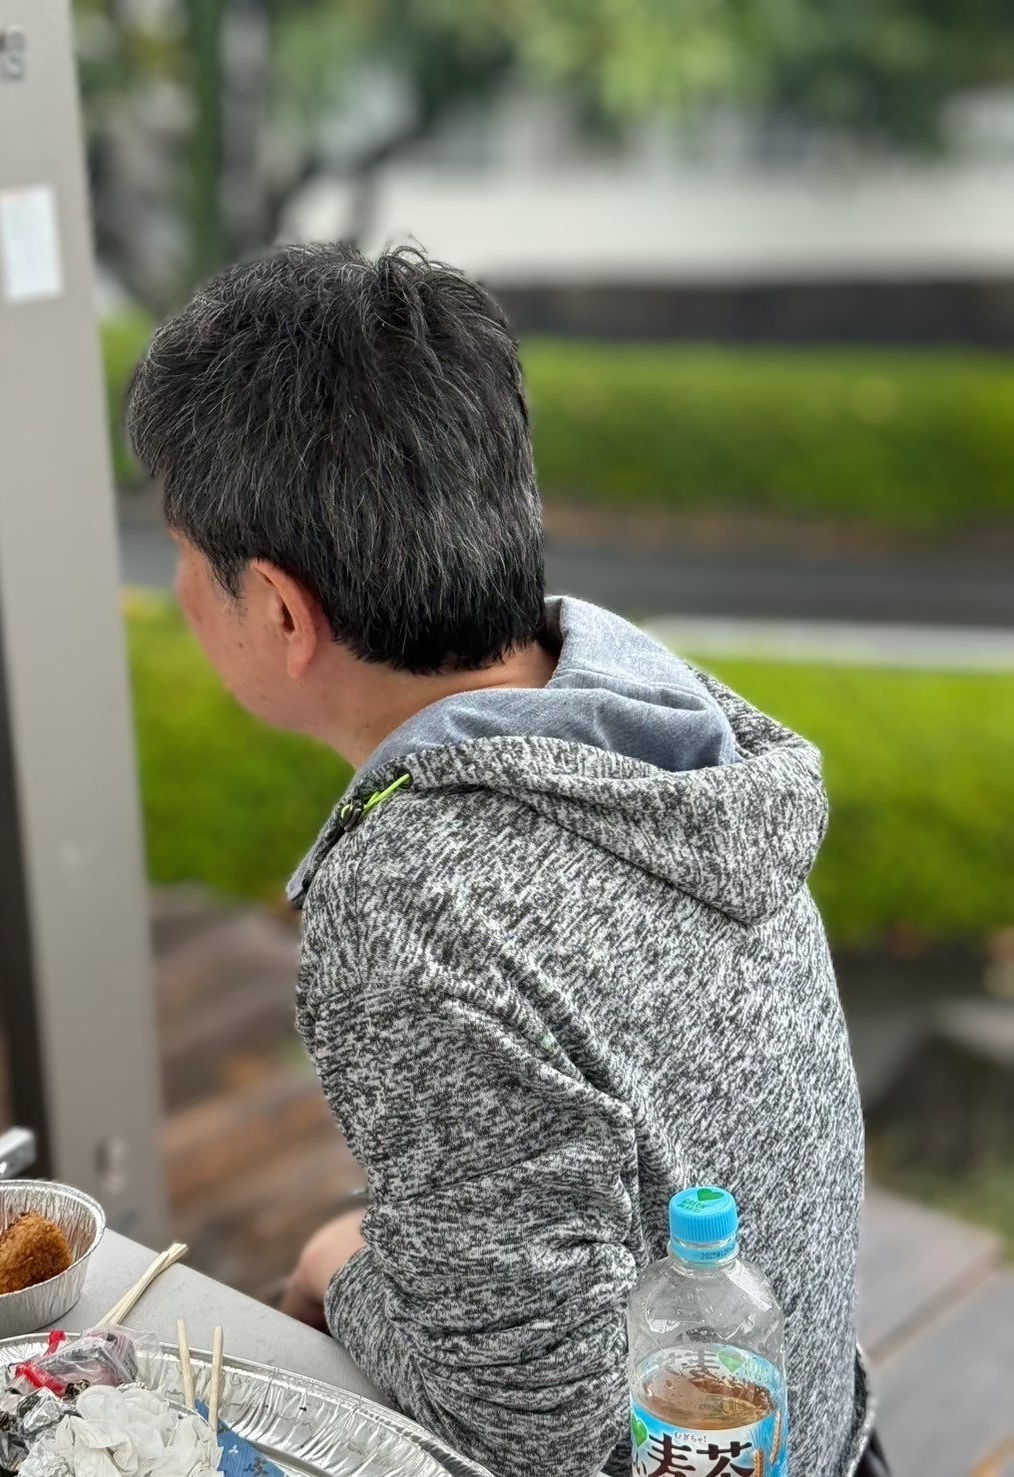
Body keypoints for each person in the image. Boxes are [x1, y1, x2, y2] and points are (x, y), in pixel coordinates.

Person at [127, 244, 879, 1477]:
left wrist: (339, 1266)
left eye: (178, 554)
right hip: (829, 1430)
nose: (174, 590)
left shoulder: (419, 904)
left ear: (281, 609)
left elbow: (533, 1427)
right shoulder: (665, 712)